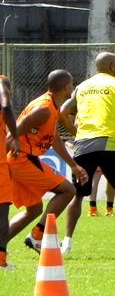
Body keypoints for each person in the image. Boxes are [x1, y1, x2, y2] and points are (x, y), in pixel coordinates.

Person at [58, 52, 115, 258]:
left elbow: (63, 112)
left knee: (78, 195)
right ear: (111, 66)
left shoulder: (82, 86)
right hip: (110, 145)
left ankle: (67, 243)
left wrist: (76, 133)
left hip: (83, 146)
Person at [7, 70, 88, 254]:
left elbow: (53, 138)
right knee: (68, 190)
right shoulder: (43, 108)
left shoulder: (52, 106)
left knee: (34, 209)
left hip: (24, 159)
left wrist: (73, 165)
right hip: (22, 160)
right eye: (72, 84)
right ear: (66, 87)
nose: (73, 88)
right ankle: (37, 236)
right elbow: (13, 133)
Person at [0, 75, 19, 269]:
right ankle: (0, 260)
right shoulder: (1, 82)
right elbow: (6, 106)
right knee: (1, 212)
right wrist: (15, 136)